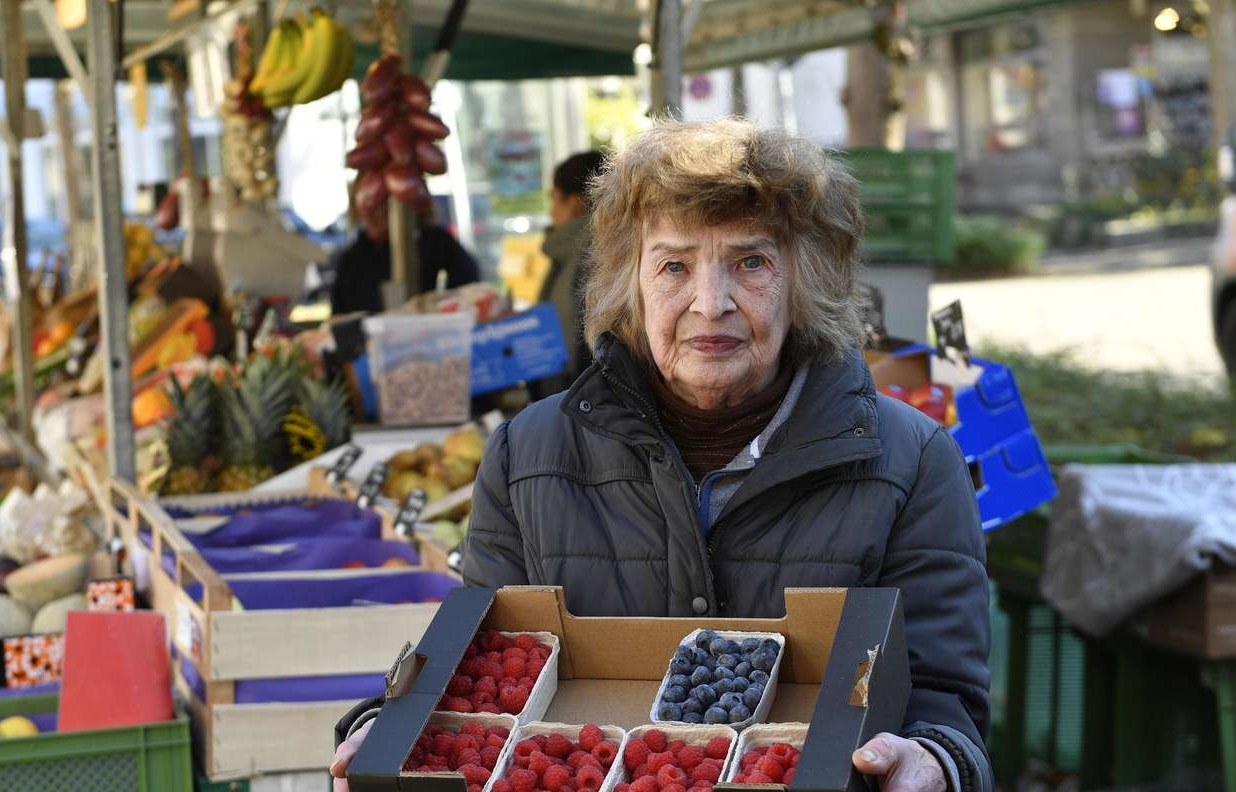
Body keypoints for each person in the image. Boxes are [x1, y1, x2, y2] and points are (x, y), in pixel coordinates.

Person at [332, 120, 991, 792]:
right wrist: (393, 728)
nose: (711, 303)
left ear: (804, 279)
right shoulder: (526, 455)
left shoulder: (913, 461)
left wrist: (936, 761)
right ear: (632, 283)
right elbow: (486, 676)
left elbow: (945, 702)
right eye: (675, 266)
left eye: (751, 262)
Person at [328, 196, 481, 315]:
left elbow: (470, 294)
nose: (376, 212)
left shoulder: (439, 244)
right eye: (368, 204)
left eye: (383, 204)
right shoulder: (352, 259)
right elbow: (339, 315)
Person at [536, 150, 606, 388]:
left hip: (577, 395)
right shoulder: (572, 253)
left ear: (575, 204)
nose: (551, 213)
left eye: (554, 200)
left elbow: (571, 342)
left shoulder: (588, 254)